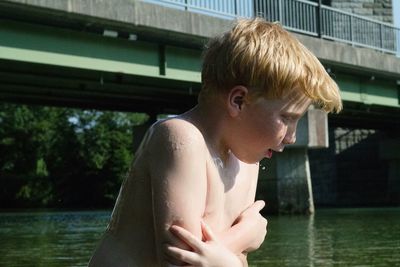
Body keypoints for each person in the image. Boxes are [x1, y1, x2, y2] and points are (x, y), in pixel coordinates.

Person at [88, 17, 342, 267]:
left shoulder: (247, 161)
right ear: (238, 101)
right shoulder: (182, 138)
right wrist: (245, 234)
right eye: (287, 118)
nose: (292, 136)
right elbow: (180, 261)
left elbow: (230, 260)